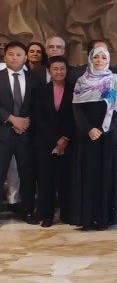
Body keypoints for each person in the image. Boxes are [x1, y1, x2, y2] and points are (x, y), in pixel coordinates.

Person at [72, 46, 117, 230]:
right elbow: (77, 109)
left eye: (103, 57)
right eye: (96, 57)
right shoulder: (81, 81)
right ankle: (87, 219)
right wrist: (89, 129)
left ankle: (104, 219)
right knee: (88, 176)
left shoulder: (114, 80)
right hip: (87, 137)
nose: (99, 61)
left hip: (108, 136)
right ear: (90, 59)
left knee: (106, 175)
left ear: (108, 60)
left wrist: (104, 129)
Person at [0, 42, 43, 224]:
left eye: (19, 54)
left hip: (26, 135)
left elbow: (39, 106)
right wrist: (11, 118)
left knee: (27, 174)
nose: (15, 57)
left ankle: (27, 212)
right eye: (11, 54)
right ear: (5, 56)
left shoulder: (34, 79)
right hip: (3, 134)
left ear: (25, 57)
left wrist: (27, 121)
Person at [32, 56, 74, 227]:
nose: (59, 72)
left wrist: (65, 138)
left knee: (66, 180)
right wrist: (55, 140)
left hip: (69, 142)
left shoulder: (74, 90)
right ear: (49, 71)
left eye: (62, 68)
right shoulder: (41, 90)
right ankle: (47, 215)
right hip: (45, 142)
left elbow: (76, 116)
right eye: (55, 69)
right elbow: (38, 118)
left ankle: (67, 213)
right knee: (46, 180)